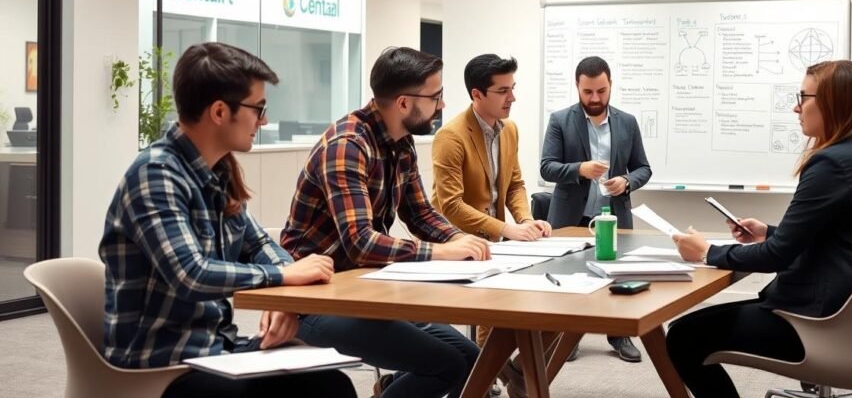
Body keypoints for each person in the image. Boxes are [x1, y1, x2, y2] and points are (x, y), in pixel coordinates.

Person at [99, 42, 354, 398]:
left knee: (330, 383)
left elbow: (259, 244)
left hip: (215, 349)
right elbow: (190, 274)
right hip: (161, 365)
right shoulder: (155, 174)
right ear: (220, 111)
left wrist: (282, 299)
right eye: (258, 108)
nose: (264, 121)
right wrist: (282, 276)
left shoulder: (218, 173)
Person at [669, 59, 852, 398]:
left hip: (820, 326)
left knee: (682, 336)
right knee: (696, 328)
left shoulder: (831, 164)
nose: (796, 107)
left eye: (803, 97)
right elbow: (845, 237)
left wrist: (707, 252)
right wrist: (768, 232)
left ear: (834, 102)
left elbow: (776, 257)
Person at [281, 47, 490, 398]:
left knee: (472, 361)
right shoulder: (347, 146)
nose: (442, 105)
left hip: (364, 291)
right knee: (447, 365)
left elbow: (420, 214)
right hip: (315, 301)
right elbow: (360, 242)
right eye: (435, 96)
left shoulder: (401, 142)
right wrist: (441, 252)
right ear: (404, 103)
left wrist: (461, 241)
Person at [431, 54, 553, 398]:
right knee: (493, 307)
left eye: (512, 88)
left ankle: (512, 373)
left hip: (496, 240)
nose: (512, 97)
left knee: (552, 305)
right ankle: (484, 381)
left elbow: (514, 185)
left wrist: (525, 220)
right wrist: (506, 229)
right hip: (455, 240)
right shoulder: (451, 136)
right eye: (502, 91)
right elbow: (451, 205)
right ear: (477, 94)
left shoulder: (509, 129)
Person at [539, 55, 652, 363]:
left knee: (616, 277)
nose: (595, 98)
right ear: (577, 86)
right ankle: (567, 336)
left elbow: (643, 168)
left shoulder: (627, 122)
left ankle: (619, 334)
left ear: (610, 85)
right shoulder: (560, 120)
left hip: (613, 217)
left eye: (601, 91)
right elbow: (547, 167)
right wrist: (580, 169)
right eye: (587, 91)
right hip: (570, 218)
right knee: (569, 278)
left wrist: (626, 182)